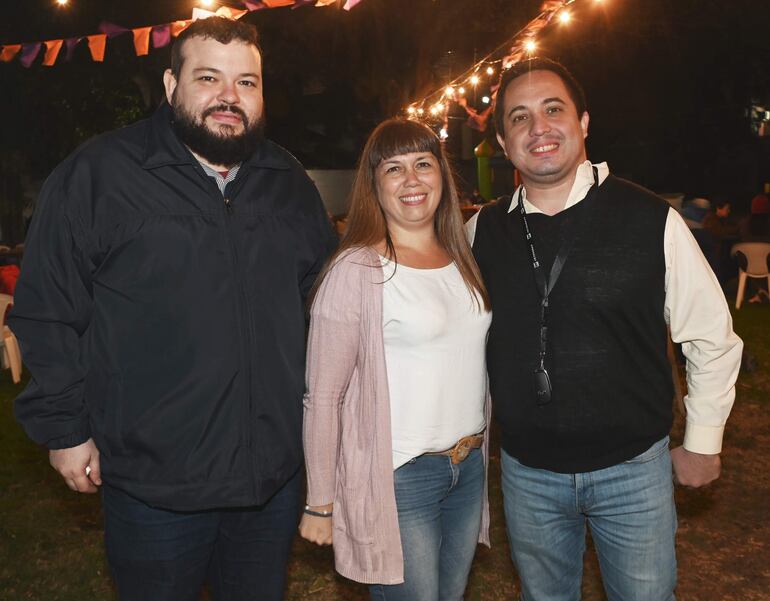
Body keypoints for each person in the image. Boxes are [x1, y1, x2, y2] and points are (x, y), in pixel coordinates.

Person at [11, 16, 336, 601]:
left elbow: (326, 301)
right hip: (153, 485)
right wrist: (64, 428)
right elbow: (47, 308)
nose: (228, 98)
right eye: (209, 78)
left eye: (247, 82)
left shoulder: (286, 181)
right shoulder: (100, 175)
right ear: (170, 85)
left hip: (269, 481)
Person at [466, 57, 743, 601]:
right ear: (502, 139)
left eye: (553, 109)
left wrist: (703, 441)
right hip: (527, 475)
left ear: (584, 122)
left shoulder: (649, 219)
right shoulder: (481, 230)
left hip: (633, 472)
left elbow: (711, 336)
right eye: (519, 118)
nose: (538, 128)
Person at [299, 118, 492, 600]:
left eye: (424, 164)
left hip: (468, 467)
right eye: (394, 169)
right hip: (401, 479)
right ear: (374, 185)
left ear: (442, 175)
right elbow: (323, 396)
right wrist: (320, 501)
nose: (412, 180)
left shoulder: (461, 254)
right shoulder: (358, 269)